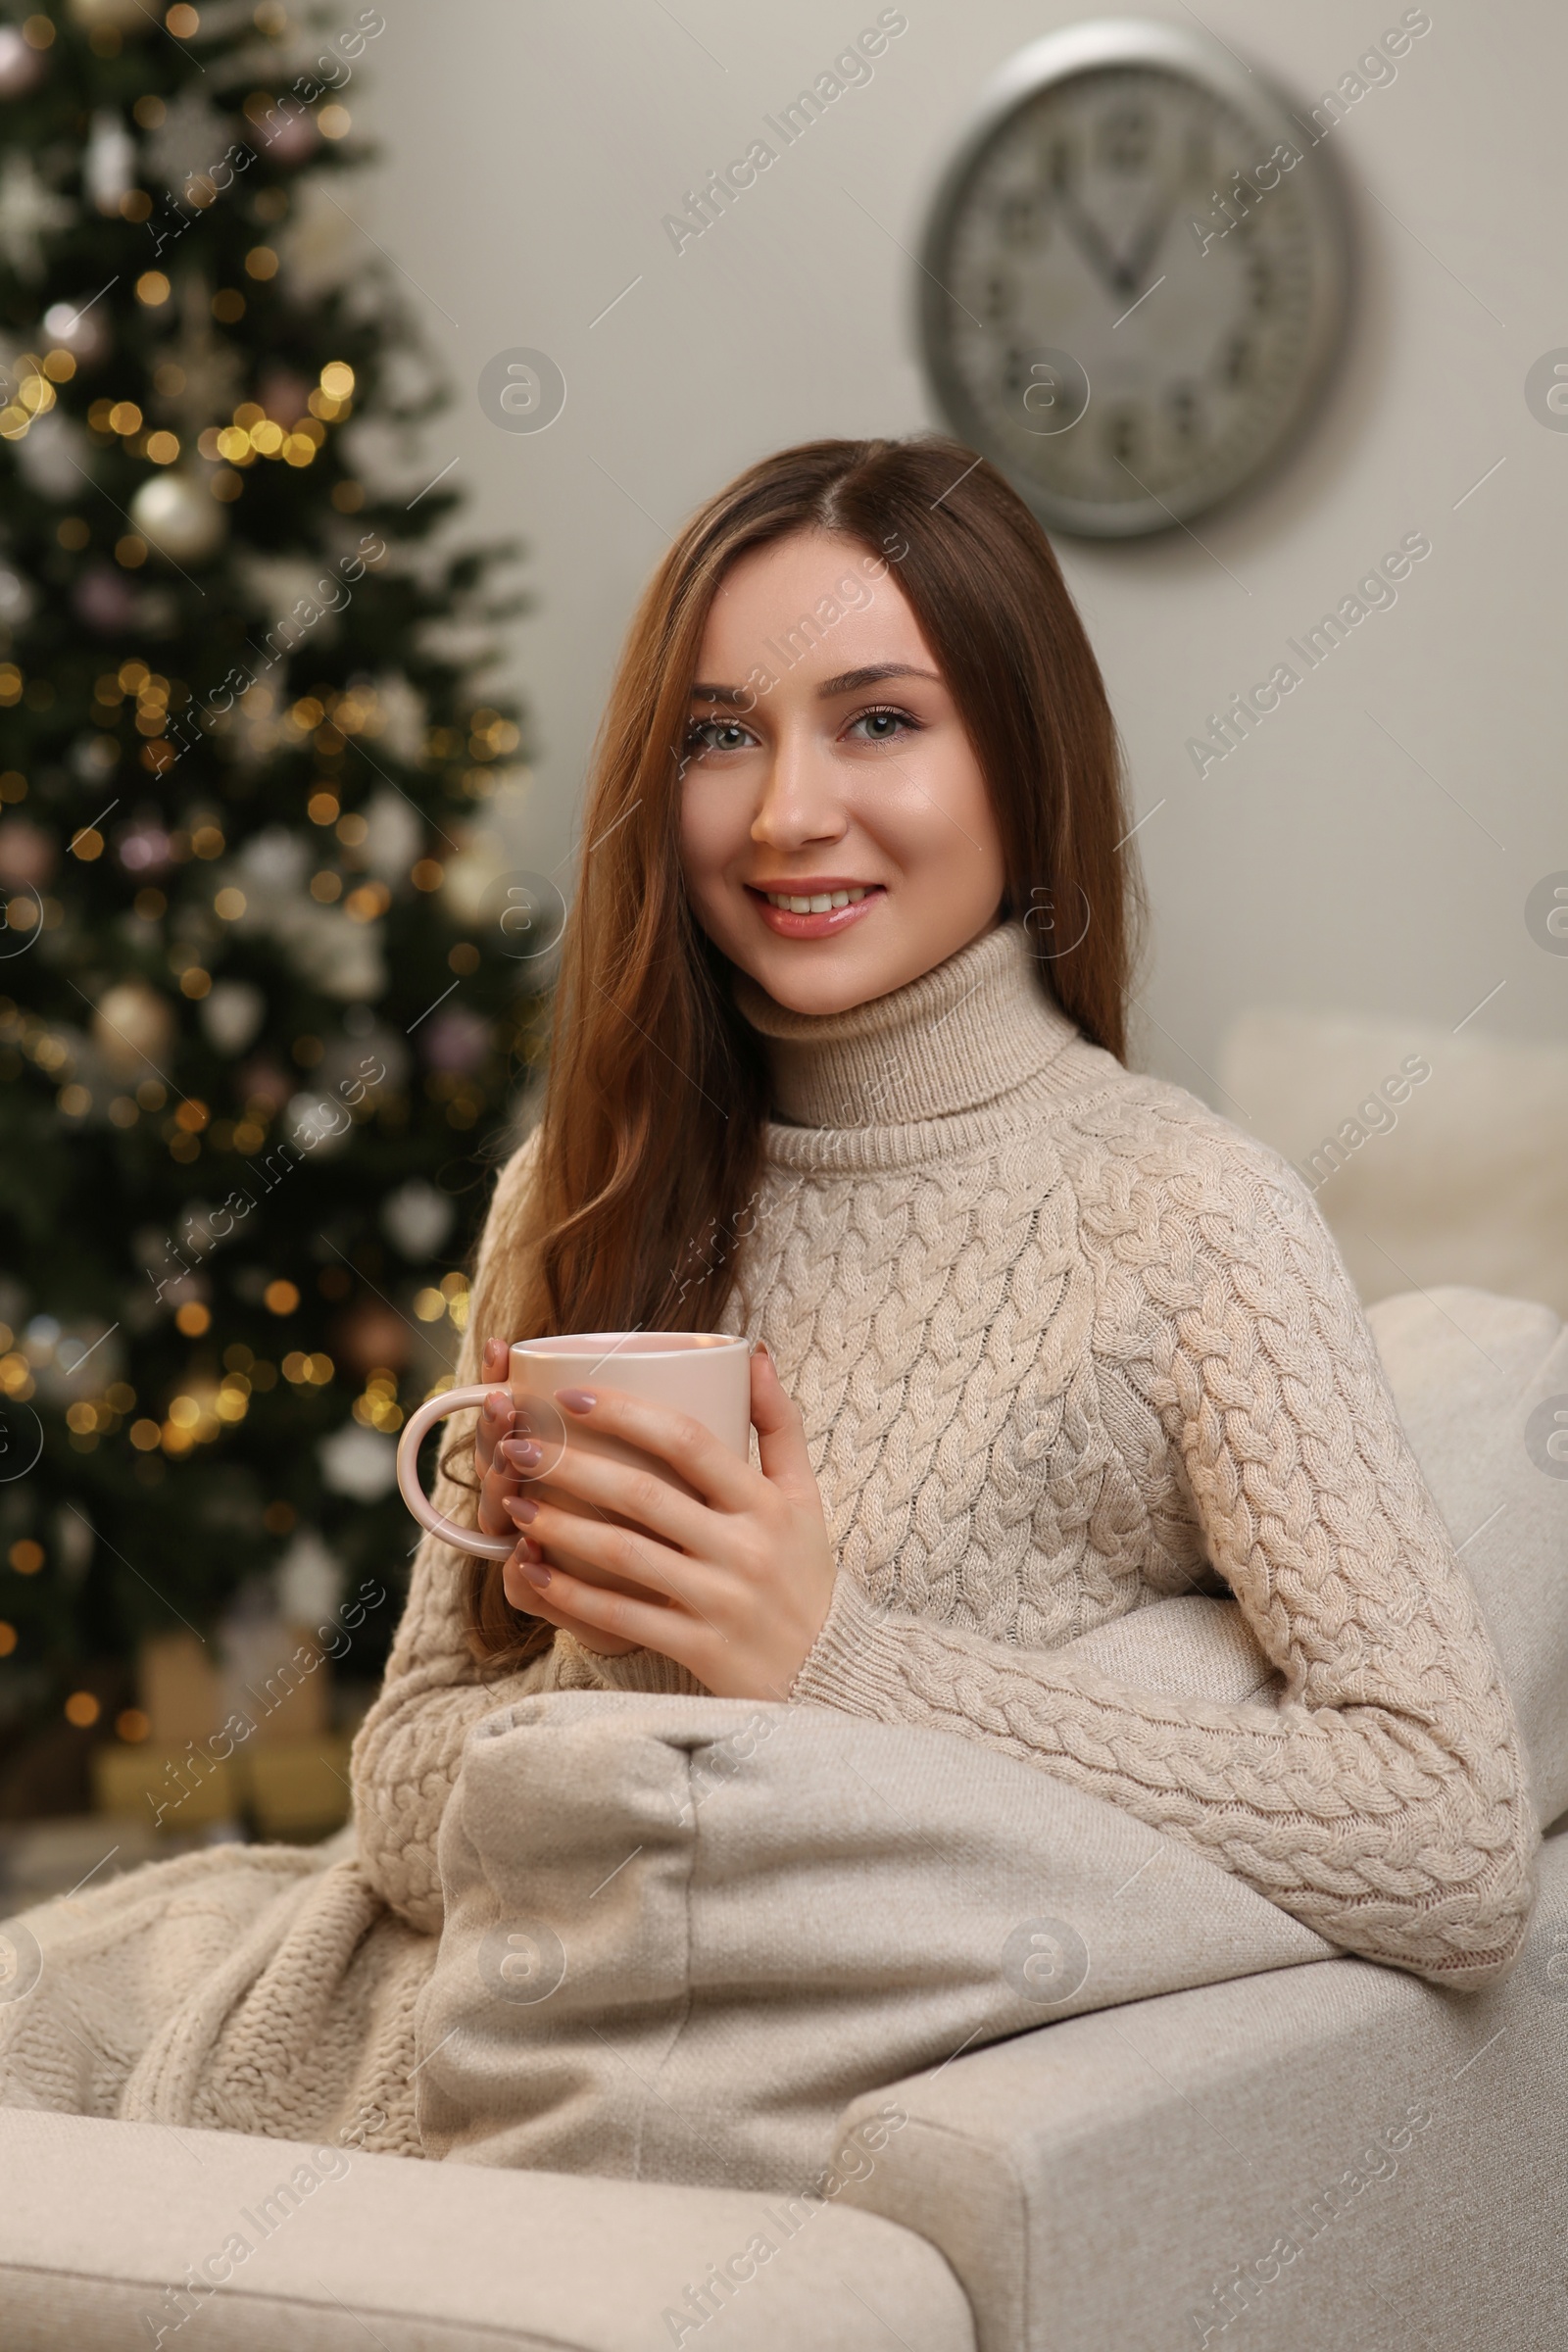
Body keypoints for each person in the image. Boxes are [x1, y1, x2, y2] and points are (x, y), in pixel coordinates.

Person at [1, 435, 1537, 2158]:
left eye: (882, 719)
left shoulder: (1190, 1225)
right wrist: (618, 1655)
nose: (788, 811)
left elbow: (1452, 1839)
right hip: (406, 2012)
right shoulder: (577, 1188)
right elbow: (399, 1789)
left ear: (1023, 763)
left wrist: (834, 1663)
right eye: (722, 735)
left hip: (639, 2104)